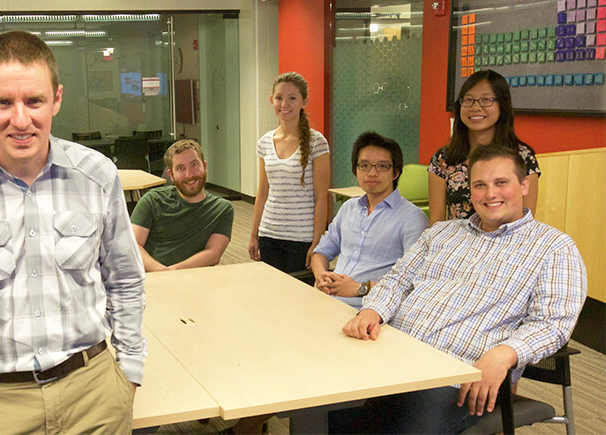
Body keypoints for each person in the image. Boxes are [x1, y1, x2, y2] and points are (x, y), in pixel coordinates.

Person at [0, 30, 146, 435]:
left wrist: (128, 374)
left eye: (34, 101)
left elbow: (125, 279)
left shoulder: (96, 176)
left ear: (56, 98)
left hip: (94, 394)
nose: (20, 119)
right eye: (3, 102)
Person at [333, 144, 586, 434]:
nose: (490, 194)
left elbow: (553, 324)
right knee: (319, 412)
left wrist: (504, 354)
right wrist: (372, 311)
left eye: (501, 183)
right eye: (480, 185)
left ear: (524, 185)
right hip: (389, 357)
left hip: (455, 378)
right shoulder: (443, 232)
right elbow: (397, 280)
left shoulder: (554, 247)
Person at [312, 132, 429, 308]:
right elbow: (320, 252)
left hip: (368, 310)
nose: (372, 173)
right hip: (327, 301)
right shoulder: (348, 208)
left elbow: (413, 282)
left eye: (382, 166)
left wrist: (359, 288)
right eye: (364, 165)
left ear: (395, 172)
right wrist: (321, 274)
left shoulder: (412, 218)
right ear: (355, 170)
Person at [428, 69, 539, 225]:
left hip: (507, 246)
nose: (476, 107)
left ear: (502, 106)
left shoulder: (522, 157)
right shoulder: (443, 159)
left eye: (486, 100)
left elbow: (526, 222)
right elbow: (436, 222)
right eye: (468, 100)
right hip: (456, 245)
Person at [249, 71, 330, 276]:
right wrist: (254, 235)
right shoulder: (265, 142)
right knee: (271, 294)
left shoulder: (316, 142)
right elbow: (263, 193)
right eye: (279, 98)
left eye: (292, 98)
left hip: (301, 237)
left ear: (304, 102)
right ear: (271, 100)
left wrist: (317, 242)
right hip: (269, 233)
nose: (284, 104)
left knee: (299, 298)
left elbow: (321, 197)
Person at [131, 139, 234, 271]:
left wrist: (173, 272)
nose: (189, 175)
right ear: (171, 175)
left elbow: (213, 254)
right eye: (180, 168)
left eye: (194, 164)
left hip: (197, 279)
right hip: (152, 277)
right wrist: (162, 271)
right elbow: (134, 245)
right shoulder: (153, 200)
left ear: (205, 166)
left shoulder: (222, 209)